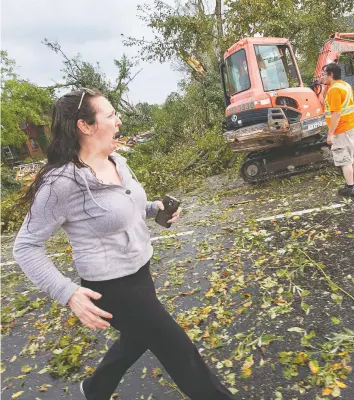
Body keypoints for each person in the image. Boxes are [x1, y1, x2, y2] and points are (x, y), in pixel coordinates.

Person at [13, 88, 236, 400]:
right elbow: (25, 246)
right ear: (85, 126)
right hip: (112, 289)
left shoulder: (117, 160)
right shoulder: (61, 183)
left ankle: (94, 390)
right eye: (110, 115)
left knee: (136, 338)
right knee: (180, 353)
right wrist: (68, 294)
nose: (118, 121)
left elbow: (125, 207)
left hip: (140, 273)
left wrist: (152, 209)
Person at [322, 63, 354, 197]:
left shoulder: (334, 90)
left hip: (342, 129)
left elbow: (336, 113)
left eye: (324, 74)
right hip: (353, 125)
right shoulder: (346, 85)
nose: (322, 77)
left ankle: (350, 188)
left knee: (345, 158)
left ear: (331, 74)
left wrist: (330, 134)